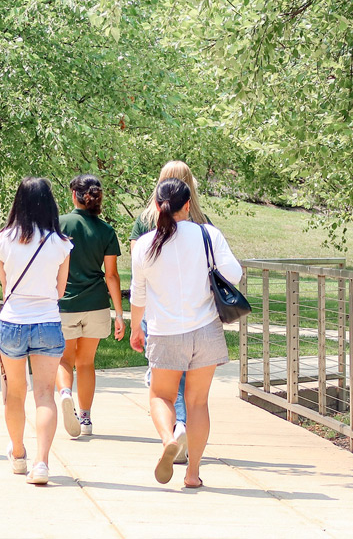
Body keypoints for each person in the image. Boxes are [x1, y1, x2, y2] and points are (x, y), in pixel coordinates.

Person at [130, 176, 241, 489]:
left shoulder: (144, 246)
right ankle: (192, 474)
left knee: (161, 395)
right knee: (197, 403)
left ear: (156, 206)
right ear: (188, 205)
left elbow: (138, 295)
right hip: (205, 330)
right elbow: (233, 274)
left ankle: (168, 439)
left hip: (165, 333)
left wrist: (136, 327)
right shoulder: (208, 234)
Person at [0, 177, 73, 485]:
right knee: (44, 395)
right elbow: (60, 289)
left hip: (13, 322)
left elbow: (5, 284)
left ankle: (18, 453)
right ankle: (42, 463)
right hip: (48, 322)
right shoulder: (61, 243)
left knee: (15, 393)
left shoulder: (3, 240)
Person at [130, 160, 210, 464]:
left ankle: (175, 430)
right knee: (192, 382)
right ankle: (185, 430)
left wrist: (135, 323)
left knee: (164, 381)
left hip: (157, 311)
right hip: (197, 313)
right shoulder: (203, 222)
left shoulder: (144, 221)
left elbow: (139, 273)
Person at [57, 174, 124, 438]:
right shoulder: (106, 231)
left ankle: (64, 395)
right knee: (86, 363)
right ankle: (85, 419)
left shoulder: (59, 224)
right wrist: (119, 314)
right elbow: (111, 275)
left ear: (74, 194)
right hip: (96, 304)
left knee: (64, 359)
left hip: (65, 303)